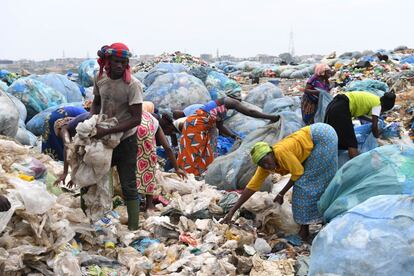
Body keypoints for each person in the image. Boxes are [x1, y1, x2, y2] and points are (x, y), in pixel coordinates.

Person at [222, 123, 338, 240]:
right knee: (312, 183)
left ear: (271, 153)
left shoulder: (281, 152)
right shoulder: (264, 166)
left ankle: (305, 231)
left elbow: (298, 173)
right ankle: (317, 222)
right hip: (314, 136)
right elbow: (251, 187)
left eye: (267, 161)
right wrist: (231, 212)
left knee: (303, 187)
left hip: (323, 136)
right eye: (263, 164)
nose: (267, 165)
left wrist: (281, 194)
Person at [90, 42, 143, 230]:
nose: (119, 65)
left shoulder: (133, 85)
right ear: (108, 61)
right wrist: (93, 120)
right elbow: (96, 103)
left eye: (123, 62)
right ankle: (93, 220)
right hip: (103, 138)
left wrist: (107, 130)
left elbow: (136, 119)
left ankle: (134, 228)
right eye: (115, 61)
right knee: (92, 179)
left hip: (126, 139)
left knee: (128, 183)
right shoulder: (100, 79)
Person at [177, 94, 280, 177]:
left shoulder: (221, 109)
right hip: (195, 125)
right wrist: (270, 117)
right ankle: (187, 176)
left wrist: (233, 136)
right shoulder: (229, 102)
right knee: (192, 153)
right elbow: (250, 112)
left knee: (205, 153)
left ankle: (198, 175)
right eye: (238, 100)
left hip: (204, 128)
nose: (239, 102)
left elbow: (220, 126)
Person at [136, 112, 186, 211]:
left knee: (132, 172)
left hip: (131, 139)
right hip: (146, 147)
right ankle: (149, 205)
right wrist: (177, 168)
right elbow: (167, 148)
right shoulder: (154, 122)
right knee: (148, 171)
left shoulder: (143, 116)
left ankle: (134, 203)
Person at [324, 91, 396, 159]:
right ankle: (356, 166)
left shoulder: (374, 99)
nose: (381, 112)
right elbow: (374, 128)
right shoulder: (378, 105)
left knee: (336, 137)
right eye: (383, 111)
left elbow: (359, 115)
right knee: (351, 142)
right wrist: (378, 138)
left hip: (334, 104)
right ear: (385, 107)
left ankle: (329, 159)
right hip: (342, 108)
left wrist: (373, 120)